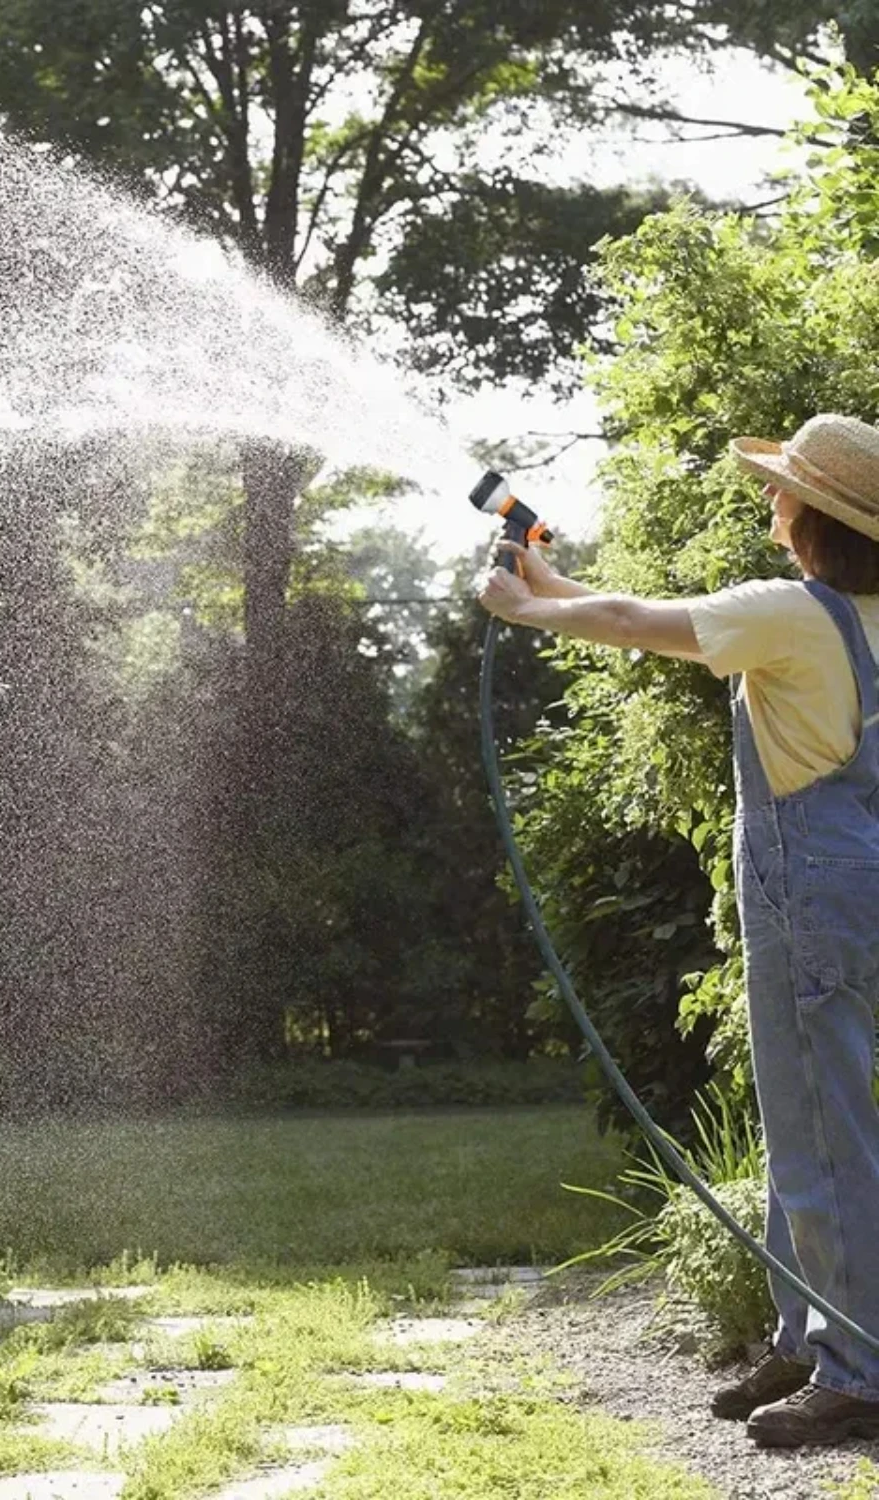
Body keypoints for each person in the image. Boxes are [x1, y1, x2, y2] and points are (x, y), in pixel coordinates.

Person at [477, 412, 879, 1450]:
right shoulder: (861, 617)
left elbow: (639, 620)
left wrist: (527, 612)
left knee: (826, 1132)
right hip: (859, 876)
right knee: (808, 1111)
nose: (771, 502)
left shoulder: (793, 613)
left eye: (784, 491)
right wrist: (549, 586)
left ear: (818, 519)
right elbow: (627, 606)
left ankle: (860, 1372)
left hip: (806, 886)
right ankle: (807, 1334)